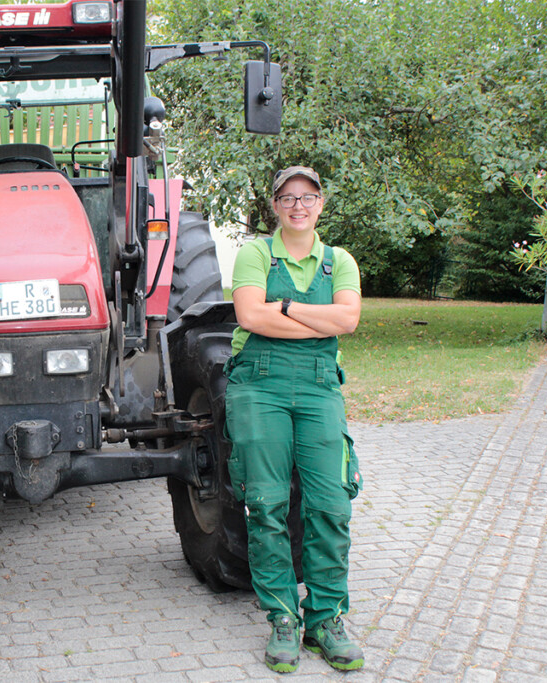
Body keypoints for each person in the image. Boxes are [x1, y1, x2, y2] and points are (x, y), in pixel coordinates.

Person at [224, 166, 364, 673]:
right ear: (276, 206)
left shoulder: (339, 260)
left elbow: (348, 319)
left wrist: (283, 307)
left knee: (331, 503)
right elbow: (250, 317)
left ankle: (325, 619)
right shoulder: (256, 253)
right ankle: (283, 618)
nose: (298, 206)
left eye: (307, 197)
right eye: (287, 198)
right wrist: (315, 318)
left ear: (320, 203)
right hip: (259, 384)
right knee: (266, 503)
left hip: (320, 386)